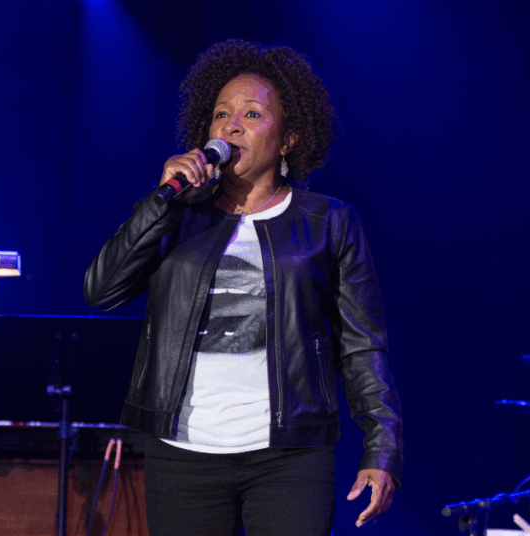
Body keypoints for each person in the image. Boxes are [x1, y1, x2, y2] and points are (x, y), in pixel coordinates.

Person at [83, 39, 402, 536]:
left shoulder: (329, 222)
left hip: (289, 455)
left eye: (251, 114)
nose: (230, 126)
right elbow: (100, 290)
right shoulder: (179, 214)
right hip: (183, 453)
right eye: (220, 115)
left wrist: (382, 448)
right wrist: (161, 201)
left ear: (290, 138)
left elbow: (363, 345)